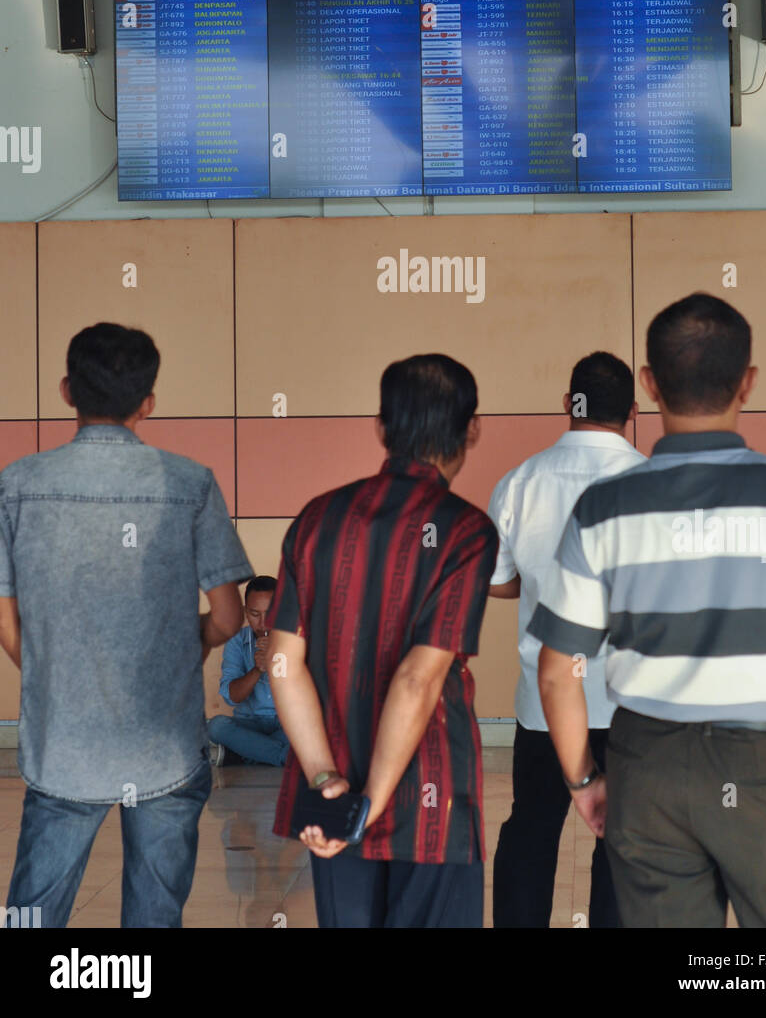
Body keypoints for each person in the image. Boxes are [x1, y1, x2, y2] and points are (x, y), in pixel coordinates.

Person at [529, 292, 766, 928]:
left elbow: (557, 670)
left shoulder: (604, 509)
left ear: (650, 385)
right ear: (749, 382)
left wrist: (582, 782)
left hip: (645, 771)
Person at [0, 323, 254, 928]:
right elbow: (228, 615)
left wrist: (52, 672)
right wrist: (185, 644)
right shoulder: (191, 484)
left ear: (66, 390)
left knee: (31, 917)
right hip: (165, 745)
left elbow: (4, 617)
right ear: (149, 402)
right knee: (153, 921)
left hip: (62, 745)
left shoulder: (17, 485)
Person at [265, 353, 499, 929]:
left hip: (335, 798)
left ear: (381, 427)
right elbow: (419, 678)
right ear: (471, 428)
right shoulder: (464, 531)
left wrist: (329, 785)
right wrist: (372, 804)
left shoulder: (317, 519)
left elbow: (281, 663)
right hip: (431, 795)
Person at [488, 352, 643, 928]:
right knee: (622, 843)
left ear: (567, 404)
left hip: (545, 705)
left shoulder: (520, 482)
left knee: (531, 830)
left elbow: (498, 584)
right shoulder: (651, 482)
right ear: (632, 411)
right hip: (630, 704)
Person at [208, 575, 289, 766]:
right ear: (245, 612)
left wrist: (282, 656)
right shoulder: (237, 641)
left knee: (318, 729)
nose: (263, 624)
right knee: (216, 726)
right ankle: (283, 756)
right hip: (250, 724)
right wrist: (258, 669)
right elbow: (232, 697)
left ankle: (244, 753)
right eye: (254, 614)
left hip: (288, 723)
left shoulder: (298, 639)